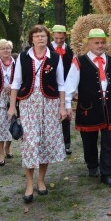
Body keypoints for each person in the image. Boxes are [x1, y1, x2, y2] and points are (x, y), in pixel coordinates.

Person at [8, 25, 67, 204]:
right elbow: (16, 82)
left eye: (43, 36)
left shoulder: (55, 58)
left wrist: (62, 106)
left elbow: (61, 84)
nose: (41, 38)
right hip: (28, 103)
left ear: (47, 38)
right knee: (31, 143)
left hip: (50, 103)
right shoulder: (23, 58)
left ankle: (41, 180)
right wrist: (12, 106)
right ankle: (29, 184)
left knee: (45, 143)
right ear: (31, 39)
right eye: (37, 36)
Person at [65, 29, 111, 187]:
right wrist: (67, 105)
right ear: (89, 43)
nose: (100, 45)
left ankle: (107, 173)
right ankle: (92, 165)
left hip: (109, 109)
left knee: (109, 143)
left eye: (102, 42)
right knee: (89, 141)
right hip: (88, 108)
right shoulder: (79, 61)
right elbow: (70, 84)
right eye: (96, 43)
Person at [49, 24, 74, 155]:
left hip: (65, 87)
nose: (59, 41)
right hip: (51, 87)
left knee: (65, 114)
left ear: (65, 37)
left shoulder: (70, 51)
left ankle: (66, 143)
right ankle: (51, 143)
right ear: (53, 36)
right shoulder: (47, 49)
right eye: (57, 38)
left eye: (62, 38)